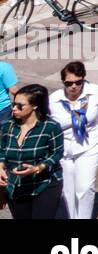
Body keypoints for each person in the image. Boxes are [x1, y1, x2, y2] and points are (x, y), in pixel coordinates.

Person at [48, 61, 98, 220]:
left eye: (78, 82)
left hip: (89, 145)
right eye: (69, 83)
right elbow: (48, 126)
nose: (74, 86)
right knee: (67, 191)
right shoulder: (54, 99)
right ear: (63, 82)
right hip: (64, 150)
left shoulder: (95, 92)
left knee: (84, 188)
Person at [0, 84, 64, 218]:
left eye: (20, 105)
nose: (14, 108)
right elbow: (2, 151)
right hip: (16, 186)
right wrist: (0, 168)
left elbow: (57, 153)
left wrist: (37, 168)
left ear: (35, 106)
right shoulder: (9, 126)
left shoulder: (51, 127)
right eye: (13, 104)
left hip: (45, 184)